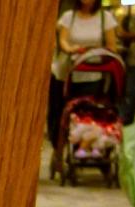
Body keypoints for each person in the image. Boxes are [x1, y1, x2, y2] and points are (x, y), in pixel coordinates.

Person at [48, 1, 119, 147]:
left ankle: (82, 147)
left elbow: (112, 47)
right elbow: (63, 41)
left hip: (92, 75)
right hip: (66, 73)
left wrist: (94, 50)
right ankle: (58, 146)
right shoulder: (68, 16)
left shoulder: (105, 18)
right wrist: (71, 49)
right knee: (59, 113)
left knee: (87, 113)